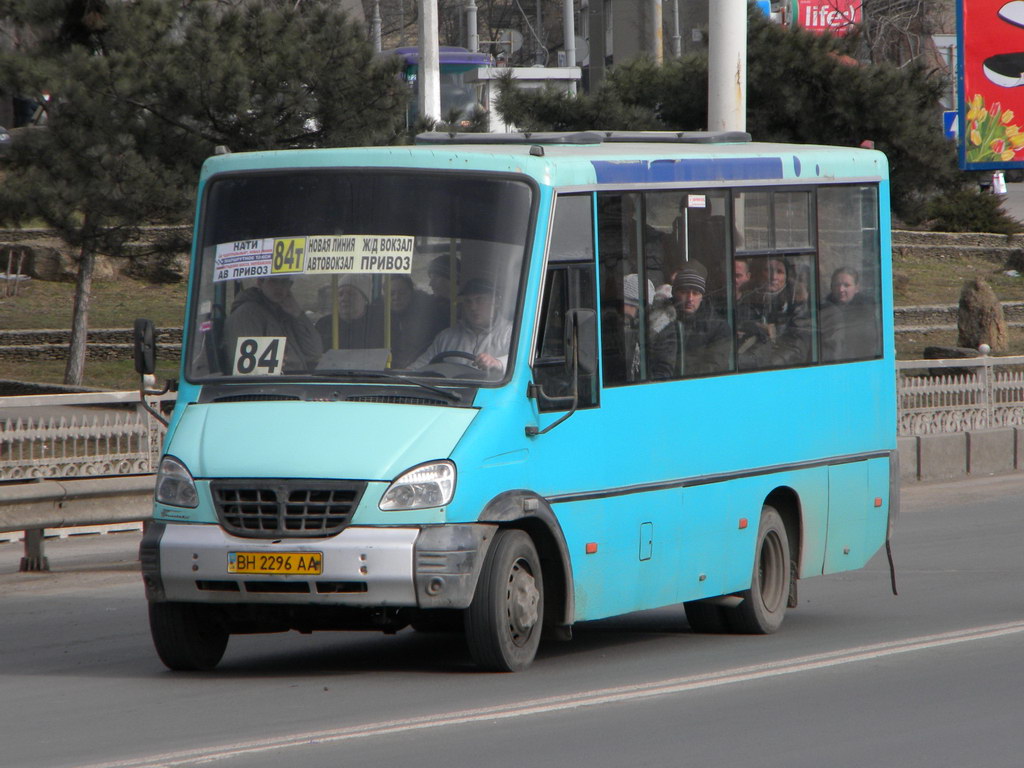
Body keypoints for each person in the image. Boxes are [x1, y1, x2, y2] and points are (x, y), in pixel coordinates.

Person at [413, 277, 513, 374]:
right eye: (468, 301)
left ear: (496, 302)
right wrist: (404, 375)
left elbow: (521, 362)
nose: (473, 307)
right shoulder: (447, 337)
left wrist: (498, 363)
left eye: (480, 300)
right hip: (448, 390)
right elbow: (422, 364)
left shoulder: (512, 333)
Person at [650, 262, 732, 379]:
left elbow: (715, 366)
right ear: (674, 293)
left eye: (696, 293)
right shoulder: (659, 320)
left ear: (702, 296)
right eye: (684, 292)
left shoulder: (718, 326)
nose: (690, 299)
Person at [224, 275, 322, 372]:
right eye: (273, 281)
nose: (279, 287)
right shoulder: (247, 315)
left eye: (284, 282)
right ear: (260, 282)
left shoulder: (286, 313)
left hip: (296, 381)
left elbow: (314, 353)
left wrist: (298, 314)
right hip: (274, 384)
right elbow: (249, 369)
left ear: (290, 285)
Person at [736, 256, 811, 368]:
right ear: (759, 274)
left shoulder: (796, 302)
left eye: (779, 272)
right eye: (767, 270)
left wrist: (771, 364)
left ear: (787, 277)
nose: (773, 277)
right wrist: (755, 327)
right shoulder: (746, 299)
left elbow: (798, 345)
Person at [369, 274, 448, 368]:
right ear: (384, 296)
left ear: (411, 293)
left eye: (402, 293)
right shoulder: (376, 318)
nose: (396, 298)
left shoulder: (428, 317)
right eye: (391, 293)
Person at [820, 266, 879, 361]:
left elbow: (870, 344)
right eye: (837, 285)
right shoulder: (823, 311)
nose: (841, 289)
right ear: (831, 287)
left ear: (857, 288)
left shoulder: (866, 312)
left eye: (846, 285)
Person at [314, 275, 382, 351]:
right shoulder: (324, 324)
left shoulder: (378, 324)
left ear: (365, 299)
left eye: (351, 294)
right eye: (340, 294)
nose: (344, 299)